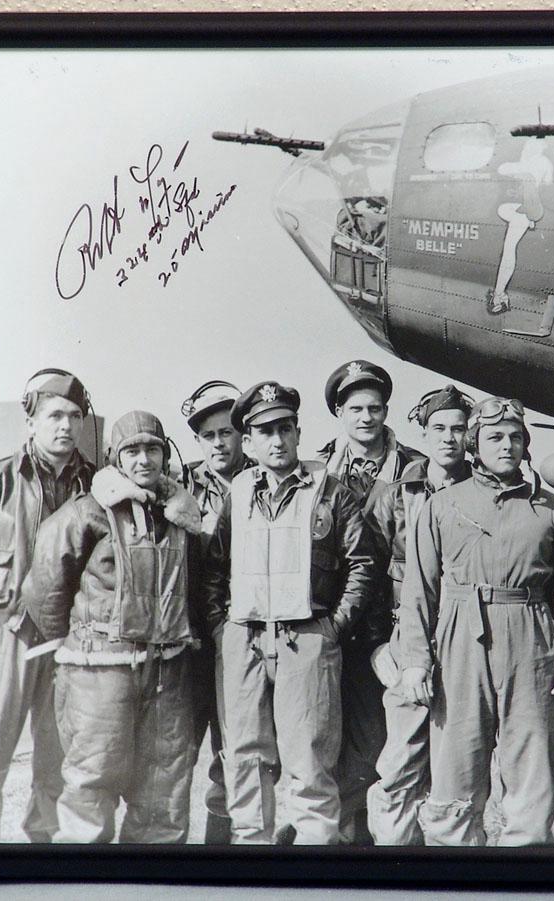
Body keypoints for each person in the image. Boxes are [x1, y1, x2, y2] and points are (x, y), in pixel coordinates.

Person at [398, 396, 554, 846]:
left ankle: (522, 874)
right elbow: (419, 590)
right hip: (461, 635)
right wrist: (415, 661)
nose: (506, 445)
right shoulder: (442, 506)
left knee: (531, 764)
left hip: (531, 636)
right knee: (456, 764)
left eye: (515, 437)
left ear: (526, 445)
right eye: (494, 437)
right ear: (474, 444)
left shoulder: (550, 509)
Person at [203, 381, 377, 844]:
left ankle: (313, 873)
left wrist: (335, 626)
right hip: (244, 639)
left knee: (310, 762)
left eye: (284, 429)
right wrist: (224, 631)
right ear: (250, 440)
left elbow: (362, 563)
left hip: (307, 638)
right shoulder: (238, 492)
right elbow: (214, 568)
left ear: (298, 432)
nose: (277, 441)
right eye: (265, 432)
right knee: (245, 758)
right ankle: (251, 870)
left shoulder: (330, 491)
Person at [22, 410, 204, 843]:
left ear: (166, 454)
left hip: (167, 674)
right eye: (133, 450)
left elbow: (195, 587)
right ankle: (85, 886)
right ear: (116, 458)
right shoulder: (88, 512)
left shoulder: (181, 518)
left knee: (164, 789)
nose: (144, 460)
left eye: (153, 449)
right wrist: (78, 644)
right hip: (100, 673)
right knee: (92, 779)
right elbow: (46, 586)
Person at [0, 368, 94, 843]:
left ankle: (45, 856)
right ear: (32, 421)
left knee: (57, 762)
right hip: (6, 636)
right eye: (54, 414)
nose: (65, 425)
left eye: (74, 416)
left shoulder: (95, 485)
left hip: (68, 643)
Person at [317, 359, 423, 843]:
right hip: (331, 625)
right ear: (340, 412)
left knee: (381, 743)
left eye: (375, 408)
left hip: (389, 626)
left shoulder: (415, 469)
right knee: (327, 740)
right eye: (356, 408)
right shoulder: (317, 470)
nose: (366, 417)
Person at [364, 385, 474, 845]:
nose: (448, 438)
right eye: (438, 429)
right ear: (423, 433)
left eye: (458, 428)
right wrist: (375, 646)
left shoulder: (482, 489)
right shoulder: (395, 494)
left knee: (458, 763)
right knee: (400, 762)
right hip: (404, 642)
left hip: (467, 643)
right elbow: (366, 569)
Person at [180, 379, 252, 843]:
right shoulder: (179, 484)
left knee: (235, 753)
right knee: (178, 751)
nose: (219, 443)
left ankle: (219, 850)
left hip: (239, 638)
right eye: (209, 436)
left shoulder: (261, 482)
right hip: (190, 642)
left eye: (227, 432)